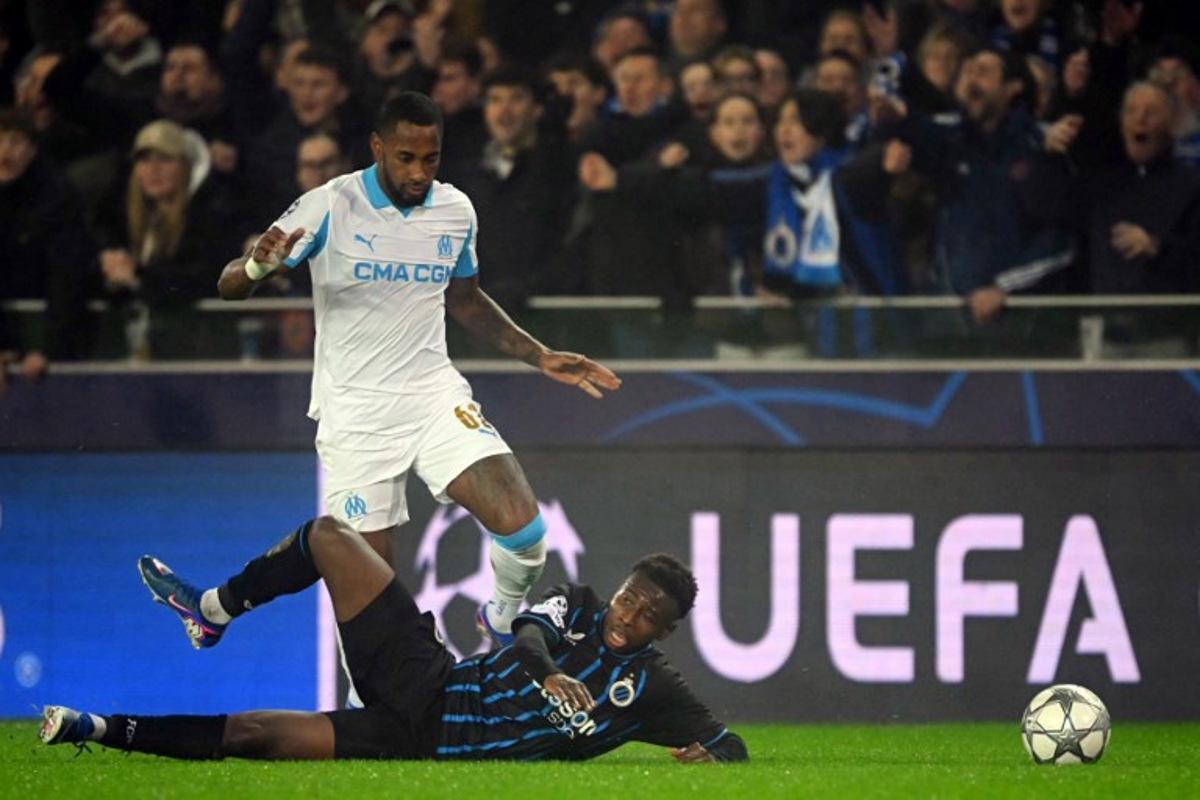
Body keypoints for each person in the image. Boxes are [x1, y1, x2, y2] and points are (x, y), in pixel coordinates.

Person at [215, 92, 620, 689]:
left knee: (525, 531)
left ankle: (501, 616)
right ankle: (372, 715)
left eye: (431, 158)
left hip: (433, 396)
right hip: (356, 415)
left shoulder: (455, 210)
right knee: (370, 599)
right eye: (406, 158)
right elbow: (229, 285)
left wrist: (539, 356)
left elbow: (465, 299)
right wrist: (253, 268)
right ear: (377, 148)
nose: (419, 173)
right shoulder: (330, 204)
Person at [40, 516, 747, 763]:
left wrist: (709, 758)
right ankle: (215, 609)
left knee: (255, 735)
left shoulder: (650, 688)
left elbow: (729, 746)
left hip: (408, 740)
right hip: (430, 682)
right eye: (631, 595)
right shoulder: (583, 606)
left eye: (648, 612)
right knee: (328, 536)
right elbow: (530, 635)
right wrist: (550, 676)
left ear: (667, 629)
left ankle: (96, 728)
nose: (628, 613)